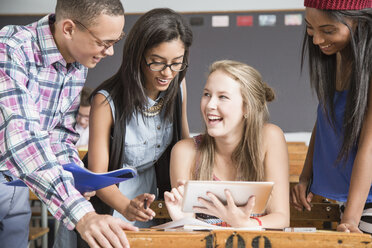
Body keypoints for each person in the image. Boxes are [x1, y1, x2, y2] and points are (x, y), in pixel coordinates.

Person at [0, 0, 138, 247]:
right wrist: (82, 213)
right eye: (103, 42)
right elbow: (21, 139)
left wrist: (76, 177)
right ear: (69, 29)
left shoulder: (76, 65)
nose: (110, 52)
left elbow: (60, 136)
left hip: (16, 185)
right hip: (16, 166)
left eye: (115, 42)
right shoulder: (10, 49)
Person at [86, 7, 193, 228]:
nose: (167, 73)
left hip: (155, 197)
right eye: (157, 61)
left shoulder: (178, 85)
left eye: (176, 62)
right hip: (112, 200)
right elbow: (98, 177)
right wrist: (126, 206)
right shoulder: (105, 102)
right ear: (138, 56)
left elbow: (184, 143)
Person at [164, 60, 290, 229]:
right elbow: (188, 235)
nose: (210, 105)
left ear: (247, 107)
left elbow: (281, 217)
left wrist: (245, 224)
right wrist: (183, 220)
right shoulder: (185, 152)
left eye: (222, 97)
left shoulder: (269, 137)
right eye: (207, 94)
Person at [291, 0, 372, 234]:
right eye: (310, 28)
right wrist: (306, 176)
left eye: (328, 31)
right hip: (350, 206)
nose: (316, 40)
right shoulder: (338, 56)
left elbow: (369, 148)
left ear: (360, 22)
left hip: (362, 209)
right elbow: (325, 118)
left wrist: (350, 220)